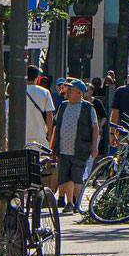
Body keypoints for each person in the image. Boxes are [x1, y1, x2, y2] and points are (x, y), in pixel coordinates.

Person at [51, 79, 101, 207]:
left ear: (79, 93)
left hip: (80, 148)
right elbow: (56, 126)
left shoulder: (87, 108)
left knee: (77, 176)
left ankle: (76, 202)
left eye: (70, 90)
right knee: (65, 176)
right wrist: (52, 144)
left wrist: (94, 146)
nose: (66, 92)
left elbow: (95, 128)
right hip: (63, 149)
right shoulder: (63, 105)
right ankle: (69, 202)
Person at [24, 65, 55, 153]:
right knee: (40, 162)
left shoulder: (18, 91)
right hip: (40, 134)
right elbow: (49, 115)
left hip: (21, 134)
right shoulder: (44, 92)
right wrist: (49, 134)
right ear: (37, 78)